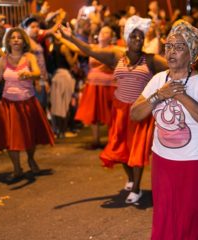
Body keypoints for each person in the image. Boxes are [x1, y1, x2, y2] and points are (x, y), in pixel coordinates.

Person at [131, 20, 198, 239]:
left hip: (197, 161)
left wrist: (181, 96)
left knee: (196, 216)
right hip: (164, 160)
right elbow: (135, 114)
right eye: (169, 46)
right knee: (166, 213)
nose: (171, 52)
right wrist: (159, 95)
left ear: (192, 53)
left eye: (179, 47)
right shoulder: (158, 80)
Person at [60, 16, 167, 203]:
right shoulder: (116, 55)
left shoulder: (151, 60)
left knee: (137, 149)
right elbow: (90, 50)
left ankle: (136, 188)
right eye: (133, 36)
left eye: (141, 37)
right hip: (119, 109)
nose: (137, 40)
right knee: (121, 148)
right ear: (126, 37)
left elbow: (174, 70)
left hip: (140, 111)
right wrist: (71, 38)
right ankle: (132, 178)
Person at [0, 28, 55, 181]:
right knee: (12, 138)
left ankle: (31, 158)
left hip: (28, 103)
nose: (16, 40)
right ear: (9, 41)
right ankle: (17, 169)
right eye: (13, 37)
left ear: (24, 41)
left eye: (19, 37)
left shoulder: (29, 57)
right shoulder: (3, 60)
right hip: (9, 104)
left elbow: (38, 73)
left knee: (29, 136)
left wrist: (29, 74)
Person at [72, 26, 117, 149]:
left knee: (111, 114)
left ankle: (112, 140)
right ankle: (95, 140)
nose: (103, 33)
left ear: (111, 36)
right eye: (102, 31)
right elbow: (76, 48)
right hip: (93, 84)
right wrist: (66, 37)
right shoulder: (93, 47)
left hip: (110, 85)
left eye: (107, 31)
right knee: (94, 113)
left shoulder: (115, 49)